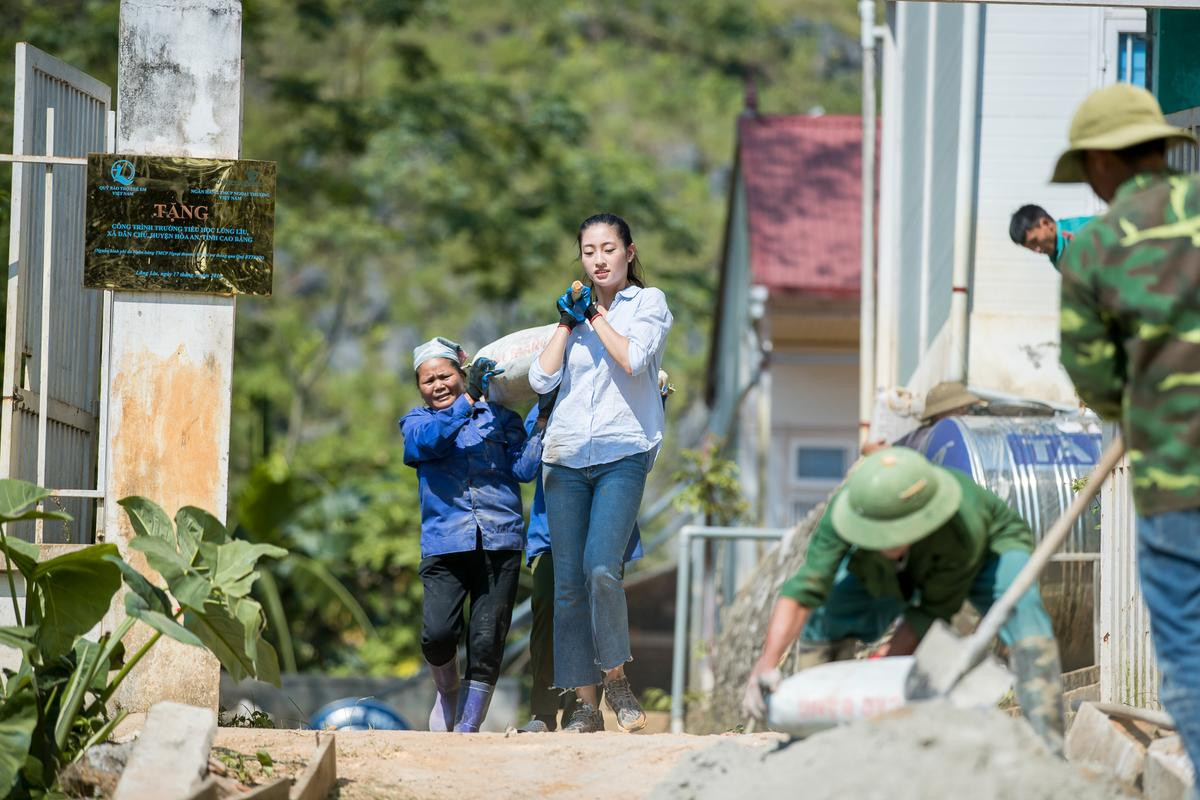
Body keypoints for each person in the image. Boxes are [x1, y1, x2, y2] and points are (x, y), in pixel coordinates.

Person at [1052, 83, 1200, 775]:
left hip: (1176, 479)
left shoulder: (1094, 250)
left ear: (1105, 163)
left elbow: (1095, 381)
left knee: (1190, 649)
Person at [742, 447, 1066, 751]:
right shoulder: (850, 508)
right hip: (903, 557)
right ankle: (814, 735)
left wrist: (883, 691)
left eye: (892, 535)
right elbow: (806, 587)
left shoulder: (962, 526)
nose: (885, 541)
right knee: (829, 610)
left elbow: (928, 612)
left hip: (988, 550)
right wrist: (765, 665)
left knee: (1025, 616)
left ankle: (1047, 744)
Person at [528, 212, 673, 733]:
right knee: (567, 584)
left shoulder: (647, 304)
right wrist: (566, 323)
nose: (598, 260)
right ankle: (585, 705)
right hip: (564, 457)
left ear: (629, 252)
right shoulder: (575, 315)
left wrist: (592, 319)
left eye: (608, 249)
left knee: (599, 569)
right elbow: (541, 377)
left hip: (623, 450)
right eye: (589, 251)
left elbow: (634, 359)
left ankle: (615, 679)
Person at [400, 336, 546, 733]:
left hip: (500, 540)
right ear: (419, 388)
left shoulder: (502, 419)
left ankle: (468, 726)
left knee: (487, 638)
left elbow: (524, 470)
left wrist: (543, 417)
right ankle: (447, 691)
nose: (438, 385)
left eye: (445, 376)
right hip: (445, 543)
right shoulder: (417, 423)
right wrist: (469, 402)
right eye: (428, 381)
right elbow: (430, 442)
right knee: (438, 635)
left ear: (461, 374)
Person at [1009, 204, 1093, 270]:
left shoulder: (1083, 231)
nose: (1037, 250)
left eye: (1035, 241)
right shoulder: (1055, 253)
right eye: (1030, 248)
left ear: (1046, 223)